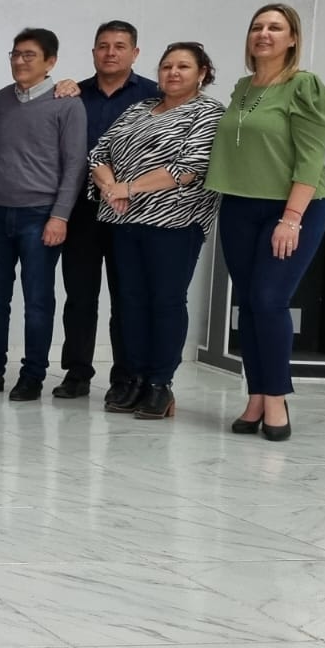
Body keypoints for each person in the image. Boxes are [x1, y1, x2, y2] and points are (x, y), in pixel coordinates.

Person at [206, 4, 325, 441]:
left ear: (292, 39)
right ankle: (256, 394)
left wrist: (291, 219)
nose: (264, 33)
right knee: (249, 302)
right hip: (240, 206)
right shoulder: (243, 88)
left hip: (294, 209)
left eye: (275, 27)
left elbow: (311, 158)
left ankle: (276, 397)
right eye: (257, 26)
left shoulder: (304, 86)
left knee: (269, 299)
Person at [87, 42, 224, 421]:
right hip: (122, 220)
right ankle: (132, 377)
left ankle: (159, 383)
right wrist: (111, 187)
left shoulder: (208, 112)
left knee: (165, 301)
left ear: (202, 73)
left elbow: (189, 167)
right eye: (167, 66)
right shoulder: (139, 108)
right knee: (129, 302)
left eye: (183, 66)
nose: (173, 73)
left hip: (174, 224)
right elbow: (98, 154)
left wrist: (127, 188)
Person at [0, 28, 87, 402]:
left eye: (29, 55)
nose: (20, 61)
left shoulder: (67, 104)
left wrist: (60, 216)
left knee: (37, 301)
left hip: (41, 215)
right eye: (15, 54)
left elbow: (75, 165)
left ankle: (33, 375)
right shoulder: (1, 101)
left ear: (50, 61)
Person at [57, 21, 159, 403]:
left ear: (135, 53)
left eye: (119, 46)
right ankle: (77, 373)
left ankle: (125, 376)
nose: (110, 53)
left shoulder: (154, 96)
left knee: (127, 297)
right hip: (82, 208)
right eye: (103, 46)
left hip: (132, 210)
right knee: (80, 297)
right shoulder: (73, 94)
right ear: (93, 52)